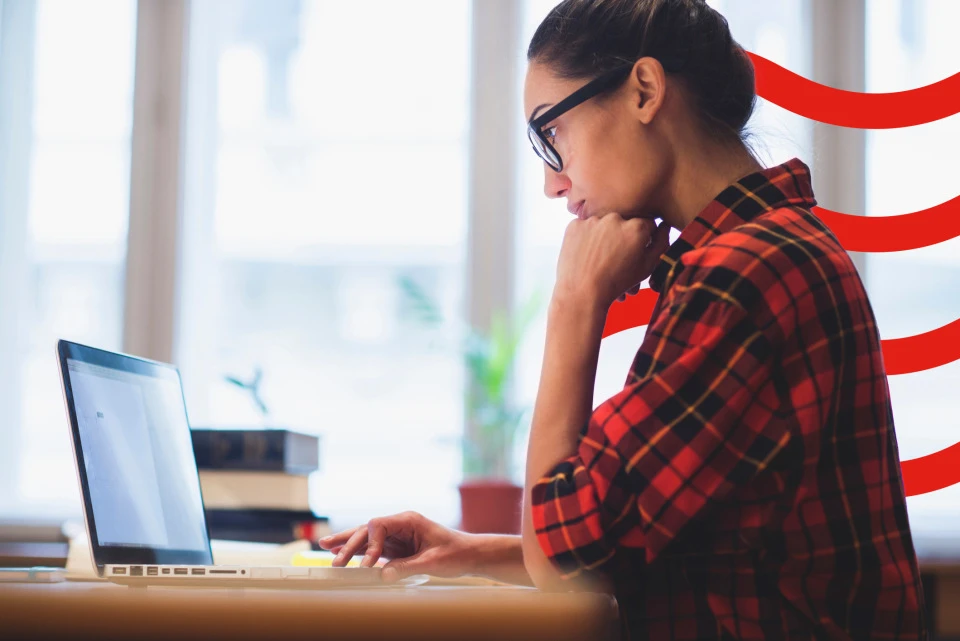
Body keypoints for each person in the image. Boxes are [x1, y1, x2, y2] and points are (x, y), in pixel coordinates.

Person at [319, 0, 928, 638]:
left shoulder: (740, 278)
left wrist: (574, 304)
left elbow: (564, 563)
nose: (552, 184)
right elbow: (664, 546)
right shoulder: (765, 250)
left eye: (550, 133)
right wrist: (472, 552)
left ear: (643, 90)